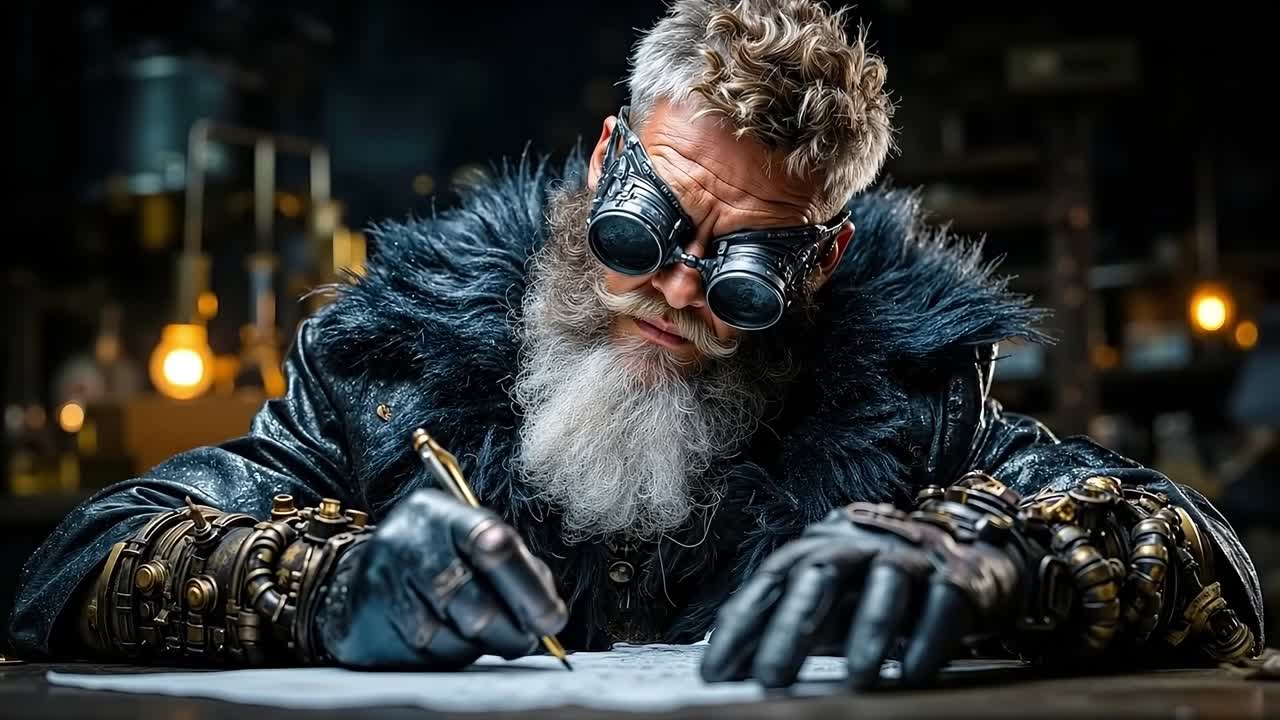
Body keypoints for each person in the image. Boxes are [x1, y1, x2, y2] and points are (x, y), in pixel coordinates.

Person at [6, 0, 1264, 689]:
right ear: (607, 159)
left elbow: (1212, 573)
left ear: (819, 265)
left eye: (745, 269)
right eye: (646, 226)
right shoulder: (388, 371)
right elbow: (75, 567)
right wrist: (332, 587)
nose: (672, 288)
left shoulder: (908, 408)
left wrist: (982, 557)